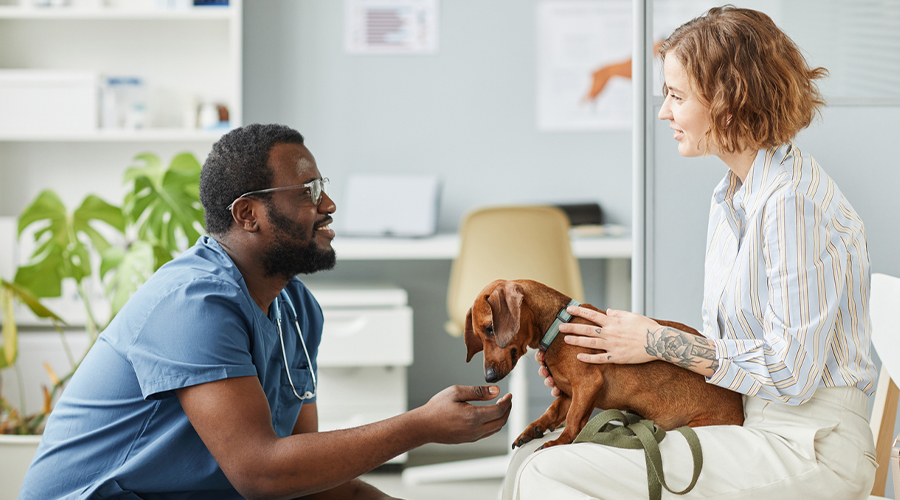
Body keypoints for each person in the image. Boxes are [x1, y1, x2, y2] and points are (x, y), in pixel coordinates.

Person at [20, 123, 512, 500]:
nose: (330, 204)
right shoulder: (193, 302)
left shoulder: (296, 307)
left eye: (324, 187)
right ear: (248, 214)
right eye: (309, 192)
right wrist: (420, 426)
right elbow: (262, 471)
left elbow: (302, 478)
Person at [503, 6, 877, 500]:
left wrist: (656, 341)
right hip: (754, 423)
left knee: (550, 472)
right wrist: (607, 368)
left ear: (727, 100)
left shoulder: (792, 203)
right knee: (537, 454)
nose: (664, 113)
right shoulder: (733, 197)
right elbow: (742, 354)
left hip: (808, 446)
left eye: (676, 96)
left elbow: (793, 374)